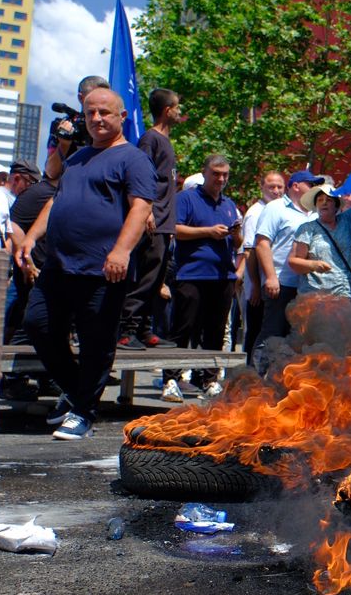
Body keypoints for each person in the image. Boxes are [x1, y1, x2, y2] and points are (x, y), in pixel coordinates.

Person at [16, 86, 155, 441]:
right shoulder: (76, 159)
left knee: (97, 342)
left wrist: (121, 251)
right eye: (90, 113)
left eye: (105, 112)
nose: (96, 119)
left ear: (121, 117)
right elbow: (55, 202)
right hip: (59, 266)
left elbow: (141, 208)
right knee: (37, 324)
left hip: (103, 269)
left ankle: (83, 412)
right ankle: (77, 392)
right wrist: (32, 238)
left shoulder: (133, 158)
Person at [163, 154, 242, 403]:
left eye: (225, 174)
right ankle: (170, 379)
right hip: (191, 274)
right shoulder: (186, 198)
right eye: (216, 174)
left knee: (216, 332)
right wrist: (208, 231)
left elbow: (238, 244)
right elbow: (176, 230)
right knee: (183, 328)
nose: (221, 179)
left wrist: (236, 234)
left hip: (222, 276)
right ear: (204, 173)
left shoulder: (229, 204)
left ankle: (208, 379)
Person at [120, 87, 183, 349]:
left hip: (166, 223)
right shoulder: (150, 139)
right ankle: (126, 330)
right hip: (153, 221)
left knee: (157, 279)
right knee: (146, 277)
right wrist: (146, 212)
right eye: (178, 106)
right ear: (167, 110)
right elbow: (139, 177)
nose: (181, 111)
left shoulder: (165, 142)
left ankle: (145, 330)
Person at [252, 169, 325, 364]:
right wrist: (271, 277)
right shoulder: (276, 208)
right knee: (272, 334)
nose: (314, 189)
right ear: (295, 186)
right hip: (281, 282)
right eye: (311, 184)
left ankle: (278, 381)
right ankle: (255, 379)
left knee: (292, 339)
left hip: (305, 285)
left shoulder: (313, 213)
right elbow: (262, 243)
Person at [5, 164, 61, 345]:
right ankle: (15, 372)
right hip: (34, 269)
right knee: (27, 323)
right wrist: (25, 259)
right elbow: (13, 225)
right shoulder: (39, 192)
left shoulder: (62, 192)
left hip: (52, 269)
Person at [291, 185, 351, 299]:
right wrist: (313, 265)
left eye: (328, 200)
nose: (324, 203)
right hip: (315, 297)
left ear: (336, 206)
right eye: (320, 200)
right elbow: (293, 261)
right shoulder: (307, 229)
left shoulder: (347, 221)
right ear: (316, 206)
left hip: (345, 295)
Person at [241, 170, 286, 362]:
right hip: (259, 287)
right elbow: (250, 251)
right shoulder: (255, 213)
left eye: (279, 187)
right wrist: (256, 286)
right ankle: (249, 376)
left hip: (274, 285)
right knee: (256, 333)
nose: (276, 191)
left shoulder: (281, 209)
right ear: (261, 188)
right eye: (271, 187)